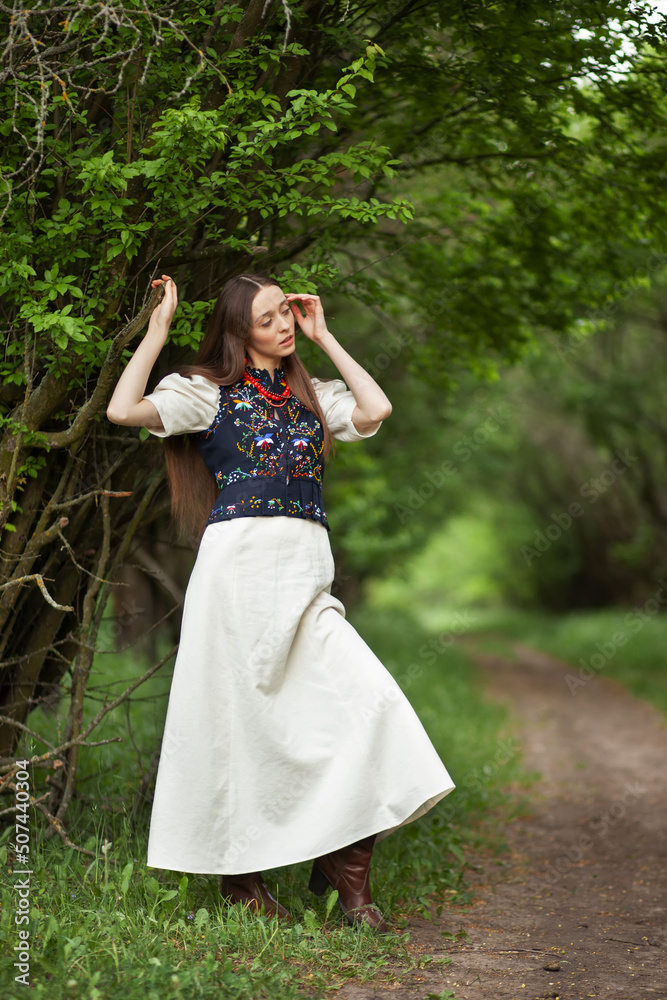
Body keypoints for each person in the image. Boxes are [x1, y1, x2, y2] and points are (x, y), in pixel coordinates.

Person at [107, 272, 455, 932]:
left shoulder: (312, 397)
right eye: (269, 319)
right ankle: (243, 882)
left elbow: (375, 410)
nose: (283, 326)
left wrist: (328, 338)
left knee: (369, 706)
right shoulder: (206, 395)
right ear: (239, 332)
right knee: (240, 727)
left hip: (305, 580)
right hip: (237, 580)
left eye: (286, 314)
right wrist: (156, 333)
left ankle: (339, 872)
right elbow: (123, 411)